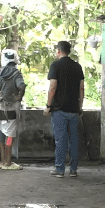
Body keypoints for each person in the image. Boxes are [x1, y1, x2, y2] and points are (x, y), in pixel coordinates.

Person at [44, 40, 84, 178]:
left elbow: (53, 86)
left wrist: (48, 106)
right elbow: (81, 88)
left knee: (61, 140)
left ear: (58, 51)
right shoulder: (77, 66)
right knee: (74, 139)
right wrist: (80, 107)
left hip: (59, 110)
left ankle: (60, 170)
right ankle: (73, 169)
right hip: (74, 109)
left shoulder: (56, 65)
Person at [0, 48, 25, 170]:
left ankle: (2, 162)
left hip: (2, 107)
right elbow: (21, 86)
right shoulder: (16, 73)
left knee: (2, 132)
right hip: (12, 108)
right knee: (10, 136)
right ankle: (8, 163)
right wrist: (18, 97)